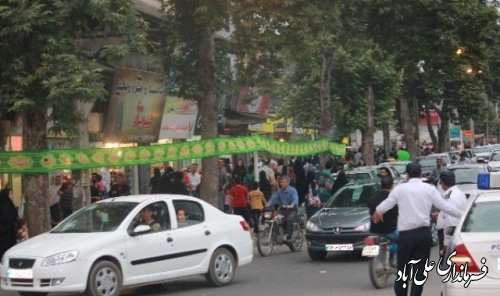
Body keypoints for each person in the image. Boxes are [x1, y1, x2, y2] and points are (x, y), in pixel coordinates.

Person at [372, 163, 463, 296]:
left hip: (405, 236)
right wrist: (463, 215)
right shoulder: (429, 189)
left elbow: (386, 204)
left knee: (403, 270)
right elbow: (445, 206)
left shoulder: (400, 189)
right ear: (421, 174)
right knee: (419, 272)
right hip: (423, 235)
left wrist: (377, 212)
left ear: (407, 175)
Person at [434, 170, 467, 257]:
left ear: (442, 183)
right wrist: (440, 215)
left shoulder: (451, 197)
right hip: (455, 233)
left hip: (449, 238)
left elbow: (451, 222)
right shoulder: (458, 193)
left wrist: (446, 244)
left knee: (446, 265)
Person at [266, 176, 299, 241]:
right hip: (283, 210)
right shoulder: (279, 191)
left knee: (290, 218)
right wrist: (267, 204)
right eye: (281, 182)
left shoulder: (293, 190)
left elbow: (295, 199)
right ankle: (278, 234)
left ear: (287, 182)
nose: (281, 184)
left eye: (283, 182)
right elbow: (273, 198)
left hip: (292, 210)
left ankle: (290, 236)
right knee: (274, 218)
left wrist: (292, 205)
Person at [0, 188, 18, 259]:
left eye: (12, 193)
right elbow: (7, 218)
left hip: (7, 232)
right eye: (10, 194)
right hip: (6, 233)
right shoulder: (5, 205)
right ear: (6, 195)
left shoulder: (8, 204)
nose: (12, 195)